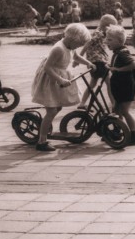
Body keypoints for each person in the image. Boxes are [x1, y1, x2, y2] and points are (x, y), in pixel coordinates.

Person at [30, 23, 93, 151]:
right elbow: (47, 67)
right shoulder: (58, 49)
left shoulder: (69, 46)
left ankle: (45, 130)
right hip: (50, 79)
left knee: (57, 107)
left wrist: (88, 63)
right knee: (52, 110)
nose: (79, 46)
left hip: (58, 77)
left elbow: (76, 56)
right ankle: (41, 141)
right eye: (79, 44)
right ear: (72, 39)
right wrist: (60, 79)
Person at [105, 25, 135, 145]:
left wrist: (118, 70)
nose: (106, 41)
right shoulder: (117, 52)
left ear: (119, 41)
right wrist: (110, 67)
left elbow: (134, 65)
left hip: (126, 87)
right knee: (116, 110)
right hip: (120, 86)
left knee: (124, 111)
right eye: (106, 38)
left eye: (110, 39)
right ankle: (117, 131)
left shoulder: (122, 53)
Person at [77, 14, 117, 109]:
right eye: (111, 29)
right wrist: (79, 57)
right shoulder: (98, 33)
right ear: (106, 27)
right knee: (109, 83)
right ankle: (114, 104)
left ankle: (82, 103)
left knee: (92, 84)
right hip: (99, 61)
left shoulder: (100, 32)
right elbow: (87, 44)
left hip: (95, 61)